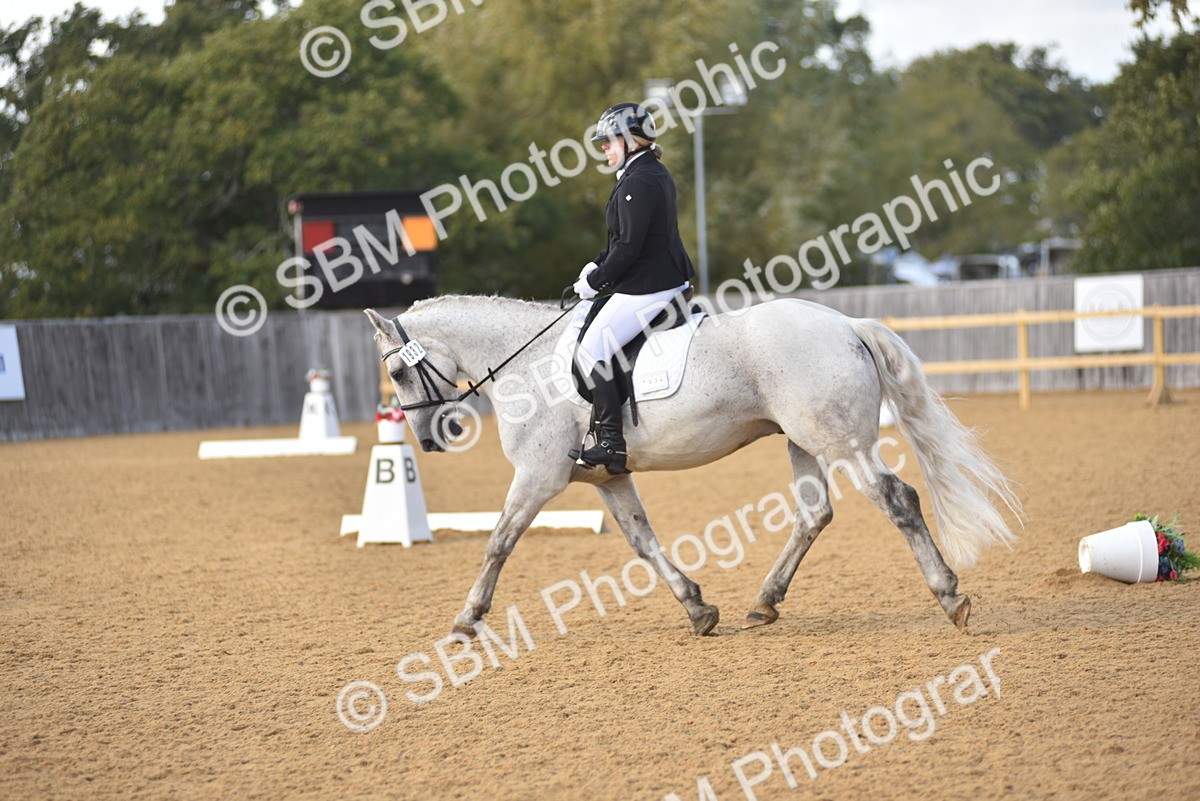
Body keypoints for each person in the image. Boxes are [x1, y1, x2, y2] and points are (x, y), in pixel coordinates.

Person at [570, 102, 695, 474]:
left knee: (592, 349)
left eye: (608, 142)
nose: (604, 149)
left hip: (650, 285)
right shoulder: (646, 172)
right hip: (658, 277)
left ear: (628, 140)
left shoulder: (638, 180)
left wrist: (597, 281)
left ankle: (611, 442)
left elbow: (629, 248)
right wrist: (597, 263)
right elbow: (621, 240)